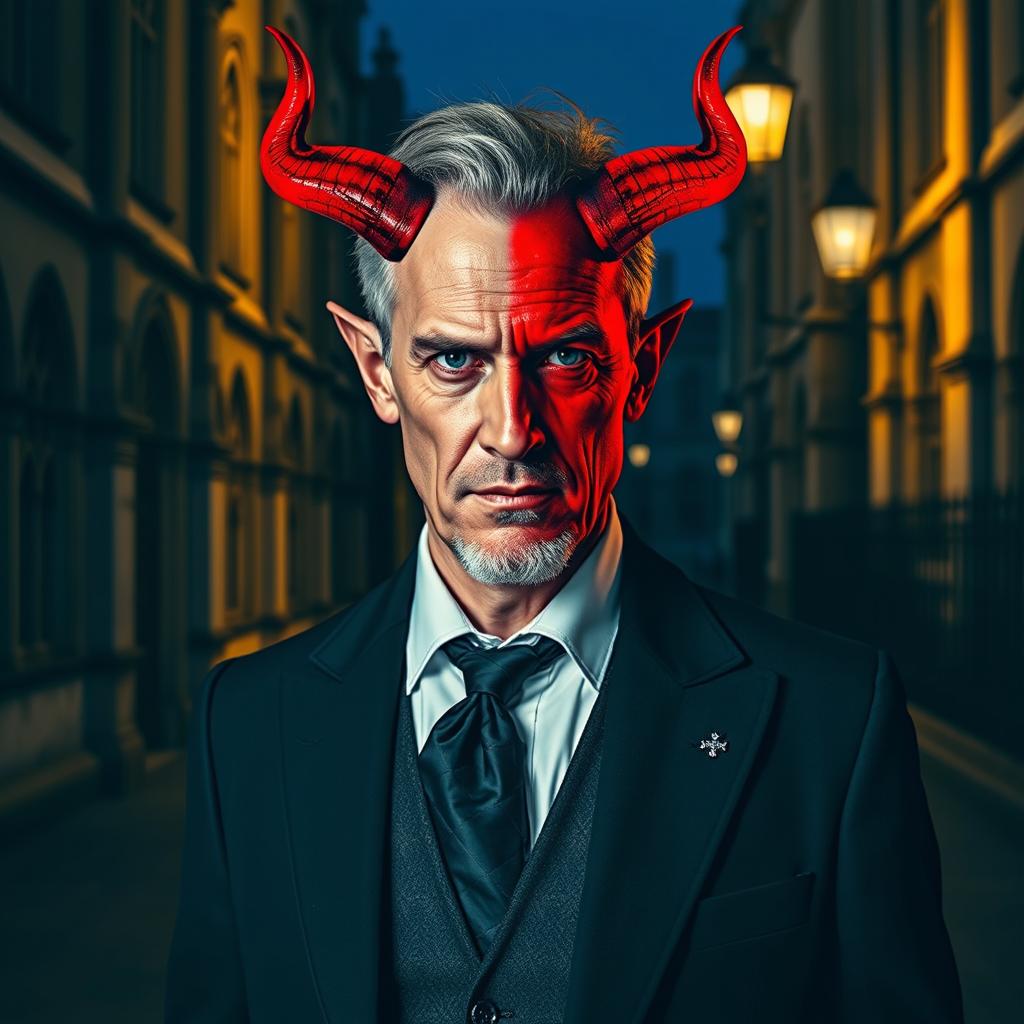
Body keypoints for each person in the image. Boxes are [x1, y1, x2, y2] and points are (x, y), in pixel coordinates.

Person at [165, 25, 963, 1024]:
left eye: (567, 360)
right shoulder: (247, 725)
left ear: (645, 367)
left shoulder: (828, 723)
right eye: (453, 360)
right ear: (376, 370)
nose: (510, 430)